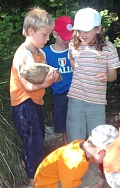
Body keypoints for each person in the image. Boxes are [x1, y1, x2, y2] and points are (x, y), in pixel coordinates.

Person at [10, 7, 59, 187]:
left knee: (38, 138)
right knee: (33, 140)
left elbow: (42, 74)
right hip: (23, 102)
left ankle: (28, 165)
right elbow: (29, 86)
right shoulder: (23, 55)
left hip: (36, 101)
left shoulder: (41, 52)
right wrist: (47, 83)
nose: (47, 39)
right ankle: (33, 181)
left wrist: (51, 77)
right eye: (45, 35)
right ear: (31, 31)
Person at [33, 124, 119, 188]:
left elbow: (95, 178)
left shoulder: (83, 146)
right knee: (88, 176)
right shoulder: (75, 162)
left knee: (91, 171)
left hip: (48, 185)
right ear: (100, 152)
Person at [66, 7, 120, 142]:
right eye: (78, 30)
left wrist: (107, 77)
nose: (81, 34)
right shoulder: (73, 45)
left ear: (98, 29)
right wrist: (78, 70)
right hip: (76, 100)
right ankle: (76, 163)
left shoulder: (108, 48)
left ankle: (93, 164)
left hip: (97, 103)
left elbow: (113, 74)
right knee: (75, 140)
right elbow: (71, 59)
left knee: (97, 141)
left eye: (85, 30)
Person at [42, 16, 74, 145]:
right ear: (55, 34)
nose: (67, 41)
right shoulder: (45, 53)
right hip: (60, 95)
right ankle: (67, 150)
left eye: (70, 37)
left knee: (76, 123)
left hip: (77, 93)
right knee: (64, 128)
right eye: (64, 37)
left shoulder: (75, 50)